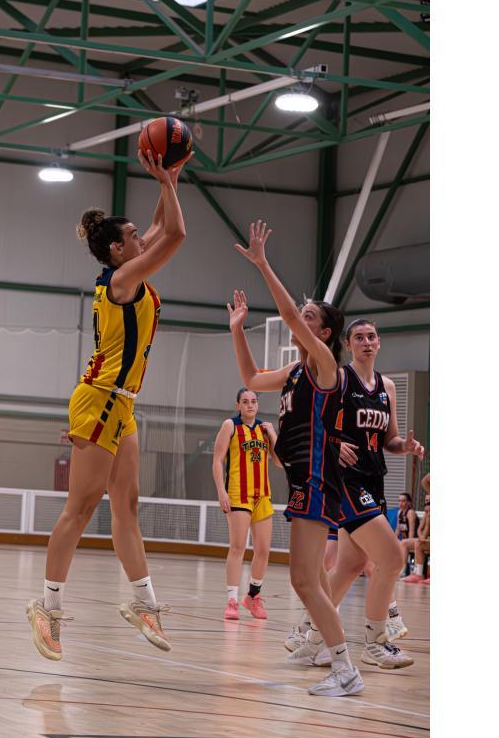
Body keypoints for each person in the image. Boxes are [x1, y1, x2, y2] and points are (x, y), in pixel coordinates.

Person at [27, 148, 190, 661]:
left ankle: (144, 602)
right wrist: (166, 184)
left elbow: (162, 227)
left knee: (127, 507)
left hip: (122, 406)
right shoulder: (122, 281)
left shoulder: (127, 270)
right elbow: (176, 234)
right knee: (80, 509)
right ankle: (47, 607)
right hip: (98, 400)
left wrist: (171, 176)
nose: (144, 238)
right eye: (135, 236)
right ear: (119, 249)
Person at [227, 220, 362, 697]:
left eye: (308, 316)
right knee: (312, 580)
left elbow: (285, 315)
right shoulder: (293, 371)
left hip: (319, 479)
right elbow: (250, 376)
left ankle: (344, 668)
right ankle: (331, 655)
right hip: (305, 479)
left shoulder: (326, 365)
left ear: (323, 332)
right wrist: (237, 330)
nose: (298, 319)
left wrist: (263, 263)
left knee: (305, 580)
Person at [292, 319, 424, 670]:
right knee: (393, 558)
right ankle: (375, 642)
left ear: (379, 343)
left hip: (374, 480)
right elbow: (313, 424)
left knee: (350, 565)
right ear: (348, 344)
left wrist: (405, 446)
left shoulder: (387, 387)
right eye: (359, 337)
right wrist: (333, 447)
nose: (367, 342)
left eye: (372, 336)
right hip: (346, 482)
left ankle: (315, 637)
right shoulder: (339, 378)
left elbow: (389, 439)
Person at [212, 389, 282, 620]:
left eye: (253, 401)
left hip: (262, 495)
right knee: (238, 547)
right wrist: (221, 491)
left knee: (263, 550)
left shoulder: (264, 429)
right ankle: (232, 601)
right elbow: (217, 460)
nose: (250, 405)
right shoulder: (230, 426)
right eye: (245, 401)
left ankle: (253, 596)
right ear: (238, 405)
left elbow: (280, 462)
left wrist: (273, 434)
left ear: (257, 405)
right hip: (238, 493)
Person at [401, 494, 431, 583]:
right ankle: (403, 571)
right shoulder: (426, 513)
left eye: (429, 501)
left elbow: (414, 530)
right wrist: (421, 536)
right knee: (404, 543)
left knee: (418, 543)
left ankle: (419, 573)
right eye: (426, 501)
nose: (428, 503)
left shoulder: (410, 513)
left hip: (428, 539)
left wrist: (423, 537)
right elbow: (419, 529)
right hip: (425, 538)